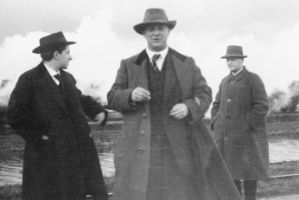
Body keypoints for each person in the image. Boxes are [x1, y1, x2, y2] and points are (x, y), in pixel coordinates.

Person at [108, 8, 242, 200]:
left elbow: (204, 93)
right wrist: (130, 95)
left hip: (179, 150)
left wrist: (189, 106)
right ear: (144, 33)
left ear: (168, 31)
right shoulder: (129, 65)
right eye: (150, 29)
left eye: (160, 28)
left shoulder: (186, 63)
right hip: (141, 150)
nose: (155, 33)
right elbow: (112, 97)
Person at [7, 32, 108, 200]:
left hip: (74, 156)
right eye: (67, 52)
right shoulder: (29, 79)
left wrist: (97, 111)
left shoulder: (67, 78)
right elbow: (15, 115)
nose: (71, 57)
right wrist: (39, 136)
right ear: (56, 54)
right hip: (46, 157)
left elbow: (80, 98)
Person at [211, 45, 269, 200]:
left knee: (250, 174)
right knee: (230, 174)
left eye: (233, 59)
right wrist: (216, 121)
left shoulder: (253, 79)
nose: (229, 62)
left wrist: (247, 124)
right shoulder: (224, 81)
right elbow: (216, 104)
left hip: (247, 139)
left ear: (242, 60)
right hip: (227, 139)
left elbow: (262, 105)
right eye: (227, 59)